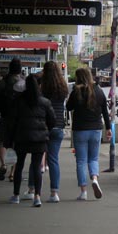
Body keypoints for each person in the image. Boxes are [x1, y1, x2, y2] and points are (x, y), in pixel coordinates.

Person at [10, 75, 55, 207]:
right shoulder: (45, 102)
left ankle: (16, 195)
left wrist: (11, 137)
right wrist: (45, 129)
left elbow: (13, 121)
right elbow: (52, 120)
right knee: (36, 167)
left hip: (22, 137)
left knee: (19, 166)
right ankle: (37, 196)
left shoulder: (19, 101)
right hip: (39, 139)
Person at [66, 67, 111, 201]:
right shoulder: (98, 90)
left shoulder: (76, 92)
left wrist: (72, 93)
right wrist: (108, 128)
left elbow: (68, 107)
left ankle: (83, 192)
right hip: (96, 129)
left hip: (80, 130)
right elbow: (105, 111)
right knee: (93, 159)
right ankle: (95, 179)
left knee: (81, 161)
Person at [0, 58, 25, 181]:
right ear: (20, 69)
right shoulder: (23, 82)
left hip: (5, 116)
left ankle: (3, 164)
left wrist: (1, 109)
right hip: (19, 118)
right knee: (16, 145)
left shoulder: (3, 82)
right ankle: (12, 172)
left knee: (2, 142)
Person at [41, 60, 69, 203]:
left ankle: (33, 190)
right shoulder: (63, 87)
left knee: (37, 157)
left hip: (43, 126)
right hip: (58, 126)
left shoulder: (43, 88)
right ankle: (54, 193)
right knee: (53, 159)